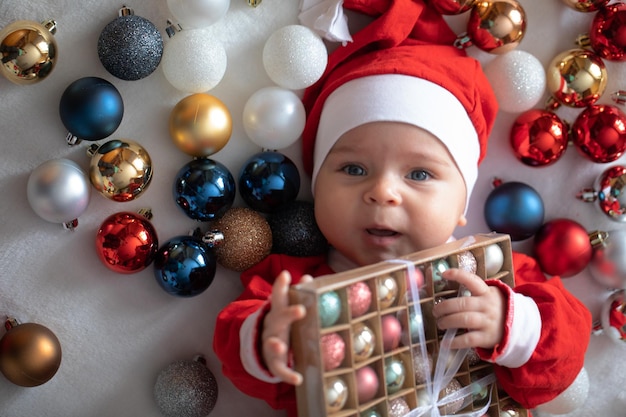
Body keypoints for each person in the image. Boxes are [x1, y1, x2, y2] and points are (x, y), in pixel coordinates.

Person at [214, 0, 592, 416]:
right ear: (316, 186)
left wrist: (512, 323)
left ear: (462, 203)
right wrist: (273, 336)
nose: (383, 193)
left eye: (419, 175)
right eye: (353, 168)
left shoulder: (492, 278)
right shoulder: (296, 290)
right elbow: (234, 334)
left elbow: (567, 348)